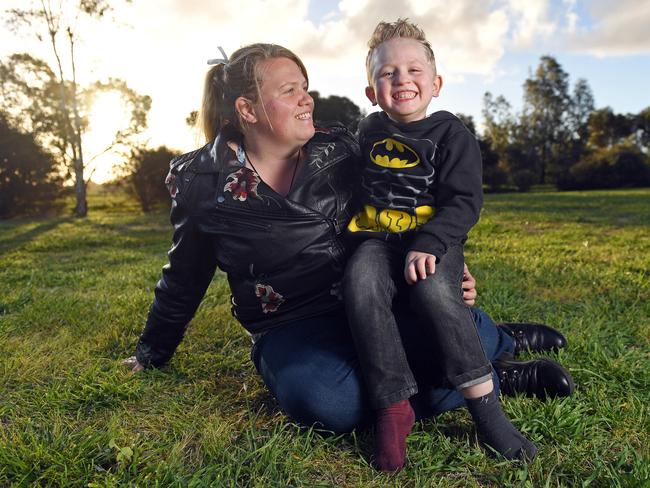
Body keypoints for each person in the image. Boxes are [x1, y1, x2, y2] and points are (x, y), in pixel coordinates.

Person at [123, 42, 574, 469]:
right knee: (327, 403)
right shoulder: (201, 182)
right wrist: (152, 351)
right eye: (290, 91)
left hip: (370, 301)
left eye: (305, 86)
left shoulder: (340, 148)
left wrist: (444, 253)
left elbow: (400, 205)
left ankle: (497, 349)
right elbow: (184, 274)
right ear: (247, 110)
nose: (308, 100)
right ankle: (486, 368)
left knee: (450, 319)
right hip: (290, 325)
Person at [341, 19, 533, 470]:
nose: (402, 80)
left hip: (433, 240)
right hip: (377, 239)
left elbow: (465, 202)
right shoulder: (367, 133)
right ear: (371, 91)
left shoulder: (452, 135)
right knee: (361, 283)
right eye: (387, 74)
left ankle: (485, 408)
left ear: (436, 83)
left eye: (413, 71)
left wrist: (430, 242)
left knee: (433, 292)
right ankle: (393, 407)